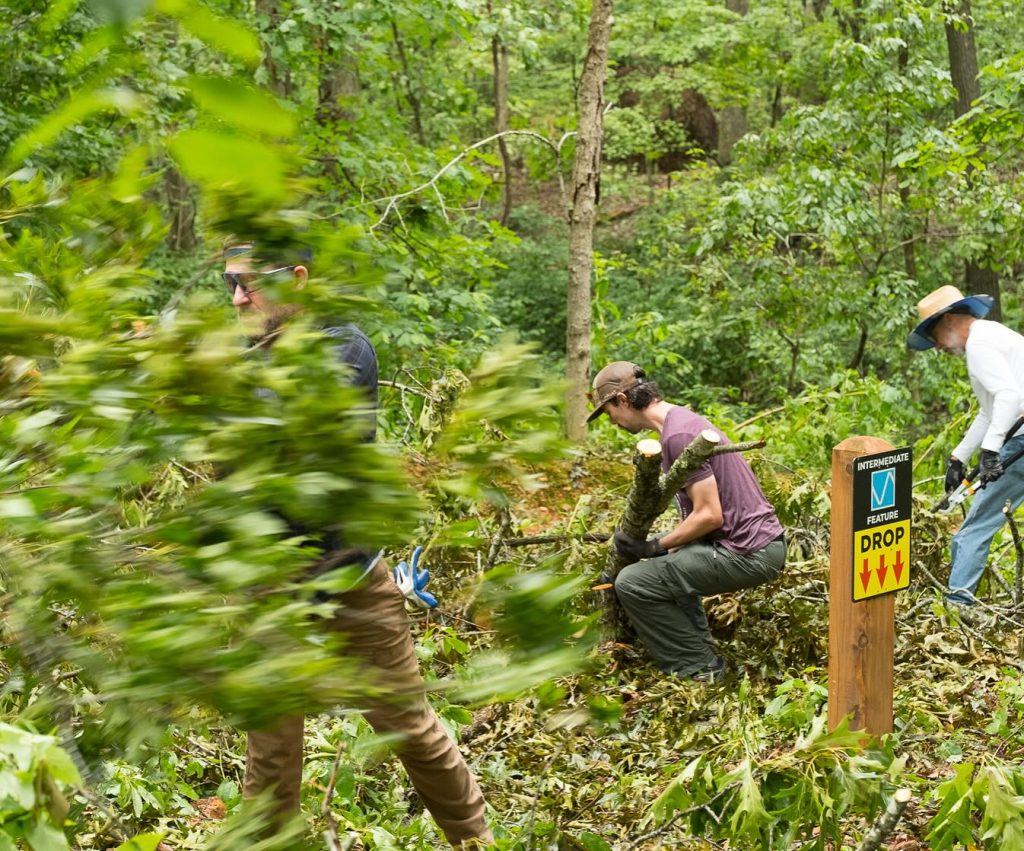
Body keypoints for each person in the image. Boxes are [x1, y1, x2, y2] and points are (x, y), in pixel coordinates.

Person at [223, 242, 492, 847]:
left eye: (249, 285)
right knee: (269, 744)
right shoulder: (239, 353)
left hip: (349, 574)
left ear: (297, 279)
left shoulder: (344, 345)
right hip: (269, 581)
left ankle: (475, 838)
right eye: (229, 285)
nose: (238, 299)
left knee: (408, 726)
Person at [587, 361, 785, 681]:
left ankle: (699, 668)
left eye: (608, 411)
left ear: (622, 400)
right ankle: (698, 648)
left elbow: (709, 514)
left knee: (633, 582)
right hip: (749, 542)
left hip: (749, 550)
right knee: (668, 558)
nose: (611, 420)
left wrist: (653, 547)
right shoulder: (679, 421)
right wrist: (664, 548)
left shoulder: (677, 435)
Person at [907, 285, 1024, 605]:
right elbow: (992, 412)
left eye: (935, 338)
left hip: (1020, 441)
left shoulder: (980, 345)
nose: (937, 347)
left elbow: (1010, 397)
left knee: (973, 531)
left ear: (947, 321)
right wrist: (958, 458)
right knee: (969, 530)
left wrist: (990, 453)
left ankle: (956, 612)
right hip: (1017, 434)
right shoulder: (992, 334)